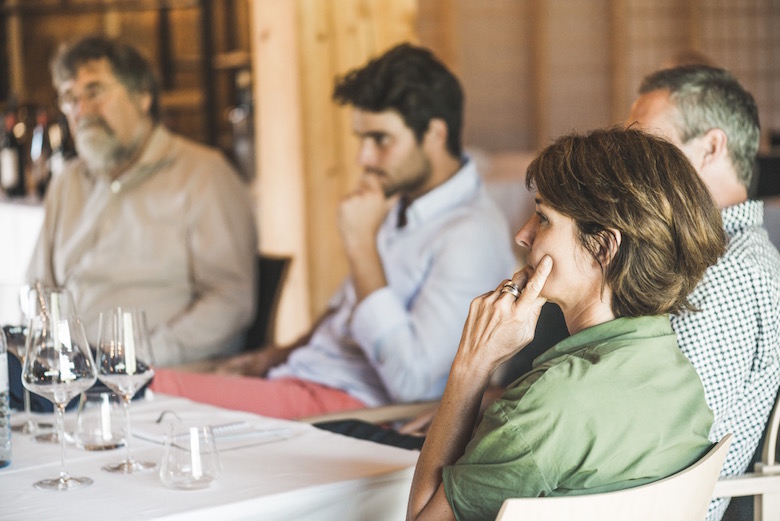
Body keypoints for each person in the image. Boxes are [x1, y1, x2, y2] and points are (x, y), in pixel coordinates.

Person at [149, 43, 515, 419]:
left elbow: (412, 383)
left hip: (346, 410)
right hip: (296, 381)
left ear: (435, 134)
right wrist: (270, 356)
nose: (363, 158)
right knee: (133, 387)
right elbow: (341, 316)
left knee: (145, 390)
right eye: (361, 139)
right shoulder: (401, 204)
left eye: (380, 139)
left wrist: (361, 246)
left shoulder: (471, 235)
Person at [407, 127, 727, 521]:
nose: (522, 235)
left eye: (543, 218)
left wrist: (471, 365)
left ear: (603, 247)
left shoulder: (547, 405)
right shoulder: (680, 379)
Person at [26, 35, 258, 367]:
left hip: (162, 381)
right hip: (71, 379)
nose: (81, 110)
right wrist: (52, 354)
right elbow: (38, 289)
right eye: (69, 97)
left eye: (94, 92)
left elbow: (230, 302)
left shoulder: (203, 175)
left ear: (143, 96)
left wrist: (136, 357)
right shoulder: (67, 183)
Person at [628, 64, 780, 521]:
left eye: (649, 148)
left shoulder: (728, 274)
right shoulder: (705, 260)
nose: (634, 168)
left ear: (712, 146)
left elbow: (671, 444)